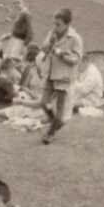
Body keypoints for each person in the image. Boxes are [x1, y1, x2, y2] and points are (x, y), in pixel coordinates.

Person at [39, 8, 84, 144]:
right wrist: (50, 43)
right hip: (50, 74)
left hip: (64, 77)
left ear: (67, 24)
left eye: (58, 24)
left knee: (60, 108)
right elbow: (44, 48)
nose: (55, 27)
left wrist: (61, 54)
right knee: (43, 103)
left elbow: (76, 59)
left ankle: (50, 133)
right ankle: (56, 122)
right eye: (54, 23)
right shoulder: (52, 33)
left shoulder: (75, 38)